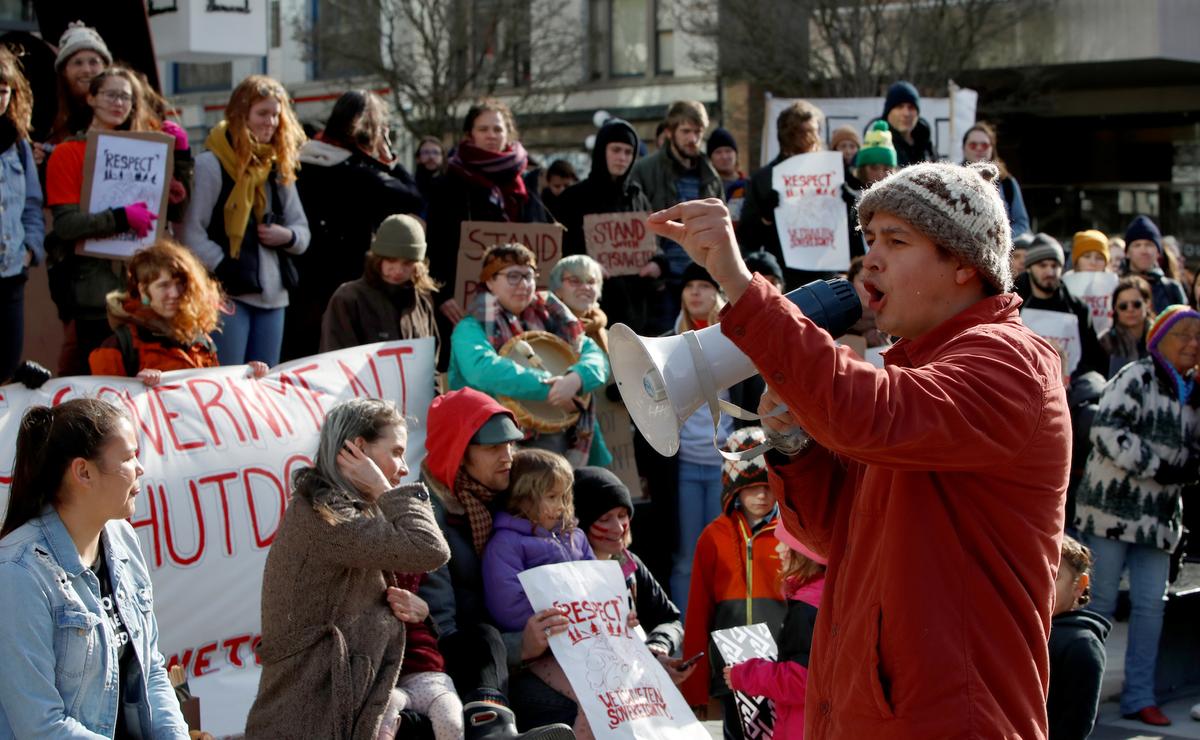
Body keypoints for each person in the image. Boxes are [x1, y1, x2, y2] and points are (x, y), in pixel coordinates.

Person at [648, 160, 1071, 738]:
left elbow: (871, 414)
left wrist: (742, 285)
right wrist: (794, 444)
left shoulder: (1010, 361)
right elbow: (833, 536)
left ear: (966, 265)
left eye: (896, 241)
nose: (870, 258)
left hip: (947, 719)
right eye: (868, 238)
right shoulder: (915, 372)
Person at [245, 399, 451, 738]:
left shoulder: (353, 509)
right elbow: (430, 548)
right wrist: (385, 489)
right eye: (396, 452)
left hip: (337, 706)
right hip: (313, 715)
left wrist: (419, 609)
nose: (403, 467)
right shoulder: (325, 515)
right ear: (358, 450)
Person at [0, 398, 189, 737]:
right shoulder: (18, 573)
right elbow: (40, 727)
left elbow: (152, 668)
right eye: (129, 457)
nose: (140, 468)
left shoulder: (121, 538)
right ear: (83, 472)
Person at [417, 388, 576, 740]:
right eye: (492, 448)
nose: (507, 456)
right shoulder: (426, 519)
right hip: (478, 673)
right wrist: (522, 645)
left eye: (511, 444)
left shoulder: (513, 492)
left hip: (544, 652)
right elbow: (442, 632)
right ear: (458, 453)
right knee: (568, 712)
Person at [1073, 305, 1200, 728]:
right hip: (1111, 510)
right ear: (1160, 338)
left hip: (1160, 521)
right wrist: (1158, 466)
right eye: (1183, 334)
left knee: (1151, 608)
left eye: (1199, 336)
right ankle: (1083, 698)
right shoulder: (1135, 375)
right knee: (1101, 604)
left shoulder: (1195, 390)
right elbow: (1107, 431)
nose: (1193, 343)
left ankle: (1139, 696)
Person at [181, 74, 310, 368]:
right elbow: (191, 233)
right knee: (229, 380)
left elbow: (302, 232)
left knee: (264, 386)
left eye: (276, 115)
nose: (271, 122)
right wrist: (226, 266)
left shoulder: (279, 166)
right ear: (242, 115)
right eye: (262, 113)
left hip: (274, 298)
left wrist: (286, 236)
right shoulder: (210, 165)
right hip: (227, 296)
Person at [288, 90, 424, 361]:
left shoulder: (302, 162)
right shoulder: (362, 174)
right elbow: (412, 198)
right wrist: (390, 159)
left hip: (302, 281)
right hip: (345, 280)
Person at [449, 243, 611, 467]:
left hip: (564, 439)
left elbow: (595, 357)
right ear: (490, 282)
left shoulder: (553, 316)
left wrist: (576, 378)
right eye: (513, 276)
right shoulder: (470, 327)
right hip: (494, 442)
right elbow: (483, 369)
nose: (524, 285)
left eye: (528, 276)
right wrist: (550, 387)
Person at [45, 65, 159, 376]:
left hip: (139, 293)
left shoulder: (147, 154)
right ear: (91, 97)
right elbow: (66, 225)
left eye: (126, 97)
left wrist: (182, 165)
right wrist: (121, 218)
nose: (119, 103)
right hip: (91, 295)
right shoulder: (67, 153)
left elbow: (166, 218)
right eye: (111, 94)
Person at [482, 449, 596, 739]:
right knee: (591, 700)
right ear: (523, 496)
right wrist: (557, 619)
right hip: (542, 655)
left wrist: (616, 610)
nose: (560, 506)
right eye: (551, 496)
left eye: (564, 496)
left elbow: (596, 584)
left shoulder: (575, 537)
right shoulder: (506, 543)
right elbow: (507, 605)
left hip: (587, 645)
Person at [680, 427, 784, 739]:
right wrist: (696, 687)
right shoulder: (713, 537)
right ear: (733, 490)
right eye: (751, 488)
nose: (762, 495)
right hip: (731, 666)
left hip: (781, 664)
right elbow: (699, 610)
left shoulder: (793, 534)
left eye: (768, 486)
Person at [426, 99, 535, 349]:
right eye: (483, 129)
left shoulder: (524, 184)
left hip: (515, 302)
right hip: (462, 304)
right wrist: (441, 294)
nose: (491, 136)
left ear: (508, 134)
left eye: (497, 129)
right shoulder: (449, 183)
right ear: (470, 134)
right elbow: (435, 244)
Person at [86, 239, 262, 384]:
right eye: (163, 286)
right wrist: (135, 387)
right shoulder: (118, 345)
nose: (175, 294)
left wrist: (249, 376)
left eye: (180, 284)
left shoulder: (201, 340)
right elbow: (105, 409)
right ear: (143, 290)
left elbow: (215, 393)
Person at [558, 117, 666, 336]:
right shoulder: (574, 198)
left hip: (637, 311)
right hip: (591, 311)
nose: (622, 158)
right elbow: (563, 251)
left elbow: (655, 244)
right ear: (601, 151)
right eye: (616, 150)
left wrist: (658, 264)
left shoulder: (638, 198)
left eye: (628, 152)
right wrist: (587, 267)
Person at [668, 262, 733, 613]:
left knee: (722, 552)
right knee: (685, 557)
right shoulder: (665, 342)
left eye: (704, 285)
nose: (695, 292)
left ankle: (719, 627)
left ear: (717, 293)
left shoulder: (736, 340)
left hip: (725, 467)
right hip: (684, 467)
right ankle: (683, 630)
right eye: (689, 284)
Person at [724, 522, 826, 740]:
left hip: (802, 728)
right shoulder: (827, 596)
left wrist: (744, 675)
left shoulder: (806, 608)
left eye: (786, 544)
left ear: (803, 554)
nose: (778, 550)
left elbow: (801, 680)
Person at [628, 101, 723, 318]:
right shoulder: (645, 170)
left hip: (701, 277)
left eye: (698, 132)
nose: (692, 139)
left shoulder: (710, 176)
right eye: (686, 131)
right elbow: (635, 224)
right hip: (661, 282)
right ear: (670, 132)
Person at [737, 99, 827, 290]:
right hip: (785, 277)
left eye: (815, 131)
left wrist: (849, 202)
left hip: (825, 272)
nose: (813, 139)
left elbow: (853, 233)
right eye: (806, 133)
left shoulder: (831, 174)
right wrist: (766, 217)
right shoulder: (763, 180)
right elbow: (748, 238)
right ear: (788, 136)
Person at [320, 213, 441, 353]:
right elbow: (336, 360)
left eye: (407, 263)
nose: (398, 270)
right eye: (391, 260)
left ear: (418, 265)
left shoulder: (422, 304)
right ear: (377, 259)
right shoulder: (348, 299)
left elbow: (430, 360)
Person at [0, 46, 45, 384]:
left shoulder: (17, 144)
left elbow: (32, 204)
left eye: (4, 91)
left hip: (11, 275)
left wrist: (30, 249)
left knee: (5, 366)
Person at [1014, 233, 1108, 380]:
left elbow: (1092, 358)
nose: (1050, 272)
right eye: (1043, 265)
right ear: (1030, 268)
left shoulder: (1078, 308)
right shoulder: (1013, 304)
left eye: (1055, 266)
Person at [1047, 535, 1110, 740]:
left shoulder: (1081, 645)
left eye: (1053, 576)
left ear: (1079, 585)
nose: (1041, 586)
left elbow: (1076, 725)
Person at [43, 21, 111, 157]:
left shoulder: (122, 110)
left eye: (93, 62)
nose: (86, 70)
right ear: (64, 70)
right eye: (77, 63)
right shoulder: (48, 113)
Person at [961, 122, 1030, 238]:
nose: (979, 148)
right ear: (964, 148)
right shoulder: (951, 180)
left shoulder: (1007, 183)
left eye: (984, 145)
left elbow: (1022, 224)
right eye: (973, 145)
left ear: (992, 148)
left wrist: (1001, 241)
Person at [844, 121, 897, 259]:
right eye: (874, 168)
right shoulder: (849, 200)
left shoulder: (902, 205)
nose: (880, 175)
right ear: (862, 170)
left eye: (886, 168)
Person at [1122, 215, 1188, 312]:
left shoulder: (1172, 288)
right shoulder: (1115, 285)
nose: (1143, 250)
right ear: (1127, 253)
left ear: (1158, 252)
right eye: (1137, 245)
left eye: (1149, 245)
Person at [866, 80, 935, 166]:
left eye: (911, 107)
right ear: (888, 112)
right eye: (899, 107)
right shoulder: (877, 144)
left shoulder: (925, 142)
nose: (906, 113)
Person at [549, 255, 608, 354]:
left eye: (591, 281)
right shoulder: (547, 330)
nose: (585, 287)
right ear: (557, 290)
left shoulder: (610, 337)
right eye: (575, 281)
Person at [1098, 275, 1153, 377]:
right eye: (1123, 306)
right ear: (1115, 309)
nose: (1130, 310)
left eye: (1136, 304)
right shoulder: (1105, 341)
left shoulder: (1162, 338)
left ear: (1148, 304)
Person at [707, 127, 747, 226]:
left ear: (736, 154)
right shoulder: (706, 186)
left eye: (728, 151)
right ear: (710, 158)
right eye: (718, 152)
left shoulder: (749, 186)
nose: (724, 156)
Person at [414, 135, 445, 203]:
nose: (431, 157)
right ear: (418, 157)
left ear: (442, 157)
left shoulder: (452, 184)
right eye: (426, 152)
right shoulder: (412, 185)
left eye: (436, 152)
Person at [829, 124, 861, 190]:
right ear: (835, 148)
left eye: (852, 146)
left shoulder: (863, 170)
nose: (848, 151)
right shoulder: (828, 172)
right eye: (843, 146)